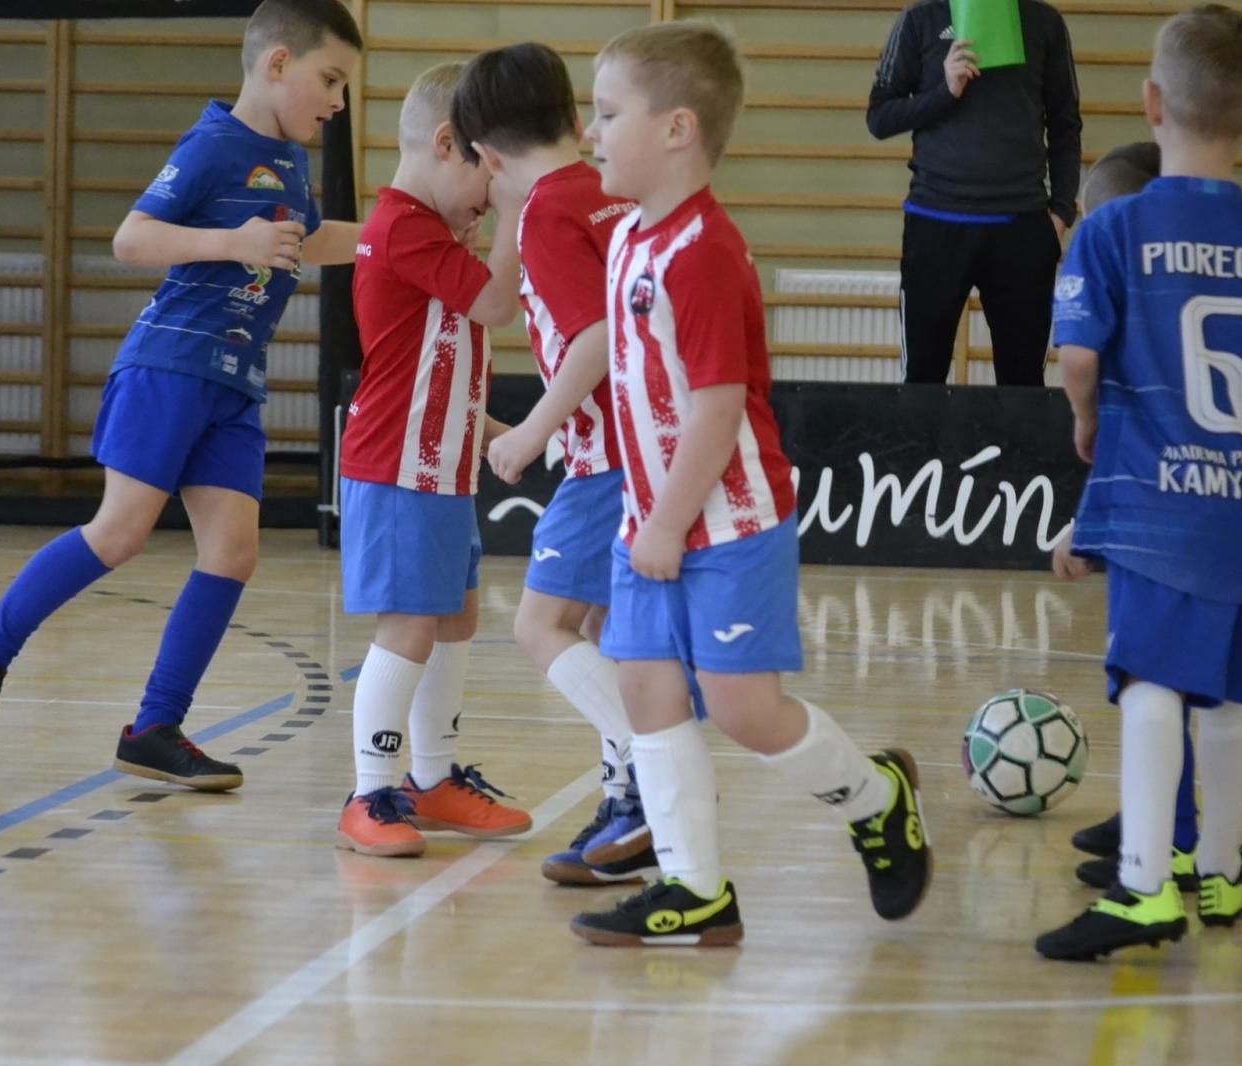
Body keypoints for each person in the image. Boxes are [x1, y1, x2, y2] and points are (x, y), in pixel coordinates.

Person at [569, 20, 934, 947]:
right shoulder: (625, 243)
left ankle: (875, 798)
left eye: (608, 113)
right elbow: (623, 355)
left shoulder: (705, 254)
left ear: (679, 129)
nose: (591, 132)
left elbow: (717, 411)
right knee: (648, 693)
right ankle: (695, 890)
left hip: (726, 524)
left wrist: (667, 525)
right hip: (647, 521)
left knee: (743, 709)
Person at [0, 0, 364, 791]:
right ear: (276, 65)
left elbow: (312, 237)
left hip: (234, 384)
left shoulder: (290, 159)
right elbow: (132, 239)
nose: (337, 101)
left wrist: (399, 238)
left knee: (234, 553)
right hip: (170, 367)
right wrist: (230, 243)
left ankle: (155, 728)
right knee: (121, 532)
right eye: (329, 79)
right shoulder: (212, 144)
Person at [1036, 4, 1242, 961]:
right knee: (1231, 691)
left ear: (1151, 102)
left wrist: (1088, 425)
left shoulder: (1113, 229)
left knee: (1151, 683)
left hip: (1157, 497)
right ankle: (1216, 870)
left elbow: (1077, 359)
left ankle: (1143, 890)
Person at [448, 43, 654, 887]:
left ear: (487, 159)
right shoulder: (614, 187)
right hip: (647, 443)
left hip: (608, 457)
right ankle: (624, 808)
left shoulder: (541, 211)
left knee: (541, 626)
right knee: (606, 633)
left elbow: (597, 340)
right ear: (575, 120)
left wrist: (532, 431)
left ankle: (653, 773)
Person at [335, 62, 532, 857]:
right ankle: (370, 792)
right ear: (447, 145)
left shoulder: (434, 232)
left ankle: (434, 777)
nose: (490, 198)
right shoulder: (402, 225)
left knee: (455, 614)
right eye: (486, 177)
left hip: (439, 471)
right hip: (395, 470)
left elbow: (437, 365)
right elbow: (495, 303)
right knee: (411, 623)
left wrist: (498, 430)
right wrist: (523, 212)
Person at [867, 0, 1082, 385]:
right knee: (922, 381)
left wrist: (1061, 214)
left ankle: (1018, 449)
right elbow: (879, 118)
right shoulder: (920, 18)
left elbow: (1065, 124)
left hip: (1022, 226)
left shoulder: (1045, 22)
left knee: (1023, 387)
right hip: (935, 223)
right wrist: (945, 92)